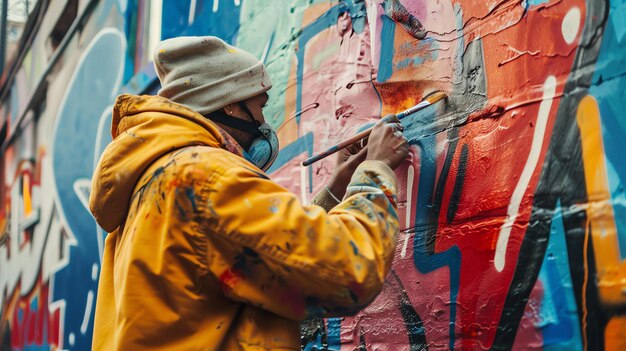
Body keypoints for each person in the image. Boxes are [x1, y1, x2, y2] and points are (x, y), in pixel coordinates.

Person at [89, 36, 409, 350]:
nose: (263, 121)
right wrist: (375, 170)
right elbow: (345, 270)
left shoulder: (157, 181)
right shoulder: (206, 177)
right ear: (230, 104)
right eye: (260, 105)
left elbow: (259, 257)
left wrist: (337, 190)